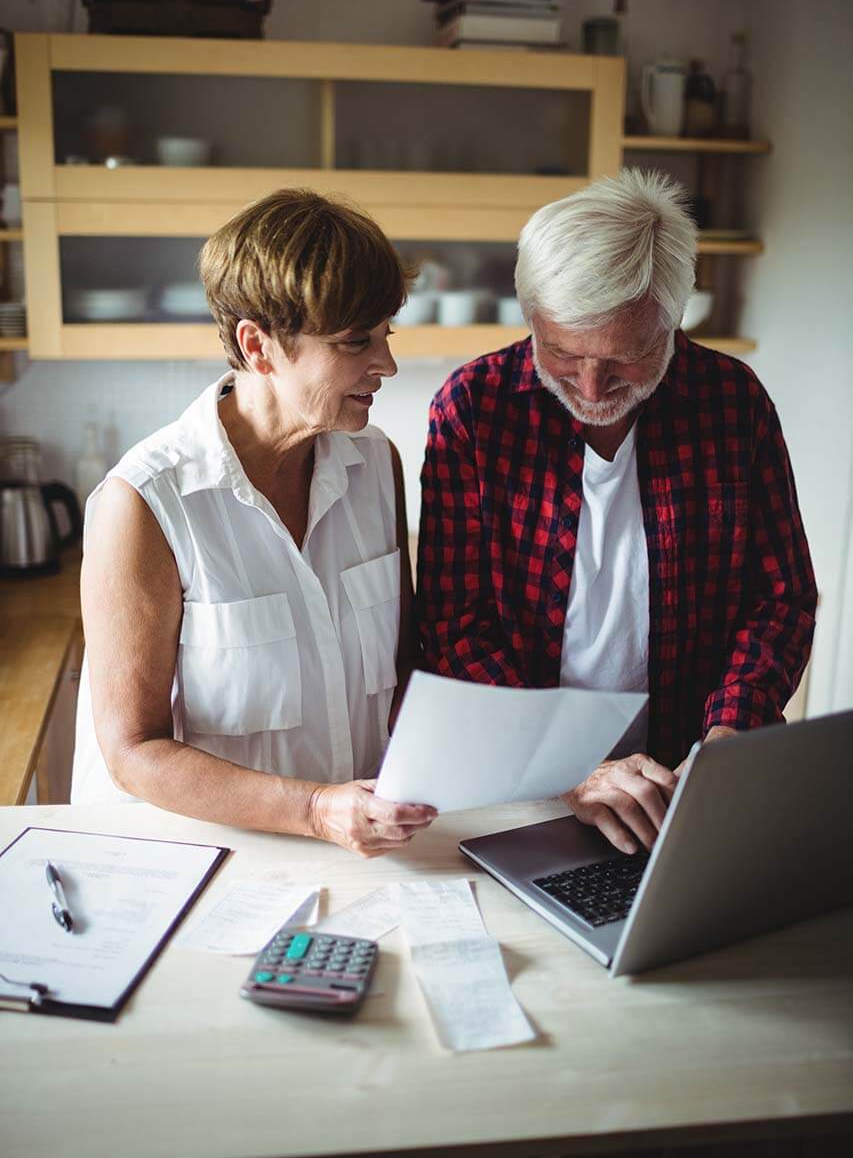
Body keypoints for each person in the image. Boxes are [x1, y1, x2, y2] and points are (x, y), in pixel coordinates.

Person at [417, 169, 816, 856]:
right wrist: (567, 767)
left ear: (673, 318)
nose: (593, 387)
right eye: (564, 354)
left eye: (626, 357)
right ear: (531, 315)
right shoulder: (474, 408)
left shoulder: (731, 402)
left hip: (687, 777)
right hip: (523, 785)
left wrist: (727, 738)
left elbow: (779, 600)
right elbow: (452, 625)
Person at [72, 188, 436, 857]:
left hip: (361, 854)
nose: (385, 363)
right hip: (195, 862)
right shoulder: (145, 502)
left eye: (385, 334)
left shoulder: (374, 462)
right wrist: (315, 810)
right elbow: (132, 751)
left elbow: (403, 663)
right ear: (258, 346)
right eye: (356, 341)